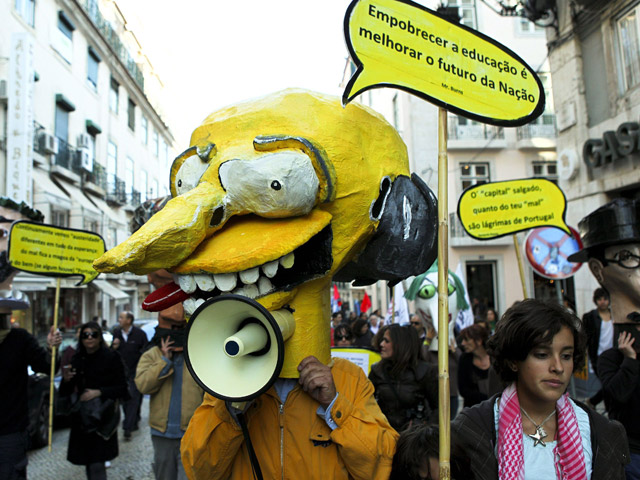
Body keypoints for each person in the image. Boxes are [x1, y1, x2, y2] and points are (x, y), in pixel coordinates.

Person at [452, 299, 629, 479]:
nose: (558, 367)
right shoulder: (472, 430)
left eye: (566, 356)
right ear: (513, 361)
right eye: (542, 355)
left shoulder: (601, 432)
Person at [180, 355, 398, 479]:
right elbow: (198, 470)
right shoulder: (228, 381)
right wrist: (231, 409)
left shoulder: (348, 376)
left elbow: (382, 466)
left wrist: (334, 403)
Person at [135, 271, 204, 480]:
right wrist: (163, 362)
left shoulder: (199, 358)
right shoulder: (151, 355)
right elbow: (142, 385)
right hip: (162, 432)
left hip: (191, 431)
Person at [60, 322, 128, 479]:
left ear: (99, 337)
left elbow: (122, 388)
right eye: (86, 335)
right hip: (83, 418)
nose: (89, 338)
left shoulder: (111, 357)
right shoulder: (77, 359)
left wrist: (99, 392)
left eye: (93, 334)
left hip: (103, 416)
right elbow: (66, 391)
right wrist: (67, 380)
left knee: (97, 463)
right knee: (89, 462)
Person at [369, 325, 438, 431]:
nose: (381, 344)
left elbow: (439, 409)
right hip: (383, 434)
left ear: (400, 344)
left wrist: (423, 429)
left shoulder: (425, 372)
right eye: (382, 340)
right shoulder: (377, 371)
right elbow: (365, 403)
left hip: (412, 437)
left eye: (386, 341)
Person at [112, 311, 147, 439]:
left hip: (136, 372)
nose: (119, 319)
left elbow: (146, 351)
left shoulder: (139, 334)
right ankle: (133, 420)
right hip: (121, 373)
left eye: (121, 317)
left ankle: (128, 427)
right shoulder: (116, 333)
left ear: (129, 320)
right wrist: (114, 346)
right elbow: (111, 352)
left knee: (134, 398)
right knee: (125, 400)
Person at [582, 288, 612, 407]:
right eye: (600, 299)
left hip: (614, 356)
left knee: (611, 384)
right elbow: (585, 337)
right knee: (609, 384)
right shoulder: (590, 317)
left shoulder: (615, 315)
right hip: (598, 357)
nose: (603, 302)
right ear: (595, 300)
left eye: (605, 299)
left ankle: (592, 402)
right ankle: (595, 403)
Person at [458, 324, 499, 408]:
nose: (463, 343)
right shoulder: (464, 359)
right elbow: (463, 390)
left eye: (466, 339)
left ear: (479, 341)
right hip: (472, 409)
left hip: (496, 408)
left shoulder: (495, 358)